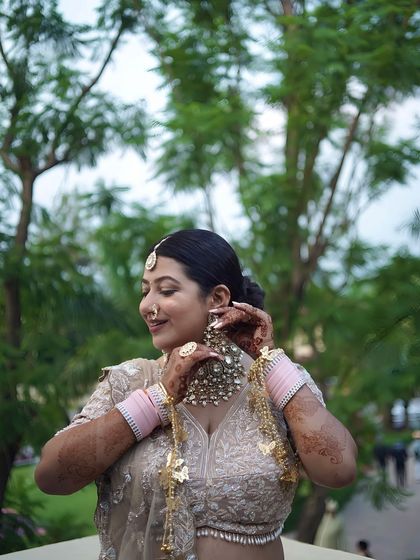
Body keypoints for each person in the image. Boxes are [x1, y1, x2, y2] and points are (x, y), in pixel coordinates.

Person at [35, 229, 358, 560]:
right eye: (146, 291)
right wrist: (158, 400)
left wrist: (268, 358)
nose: (147, 305)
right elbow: (52, 476)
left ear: (217, 298)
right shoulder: (130, 381)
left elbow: (339, 469)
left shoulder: (277, 383)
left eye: (166, 290)